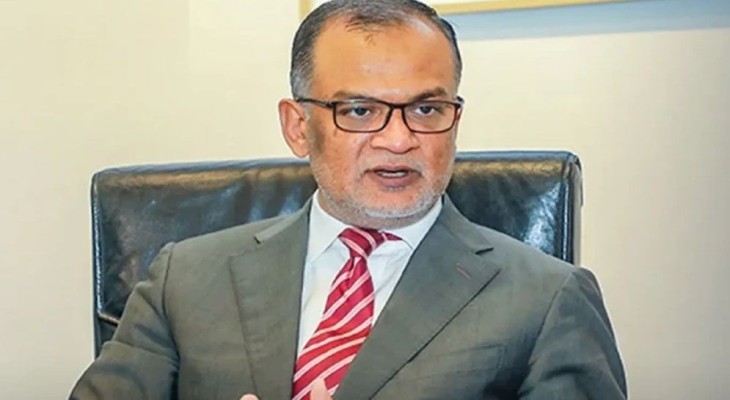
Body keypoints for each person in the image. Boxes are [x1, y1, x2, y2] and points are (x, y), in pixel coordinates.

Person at [70, 0, 627, 399]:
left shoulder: (547, 300)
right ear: (297, 127)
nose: (399, 139)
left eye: (426, 109)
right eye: (359, 111)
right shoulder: (184, 280)